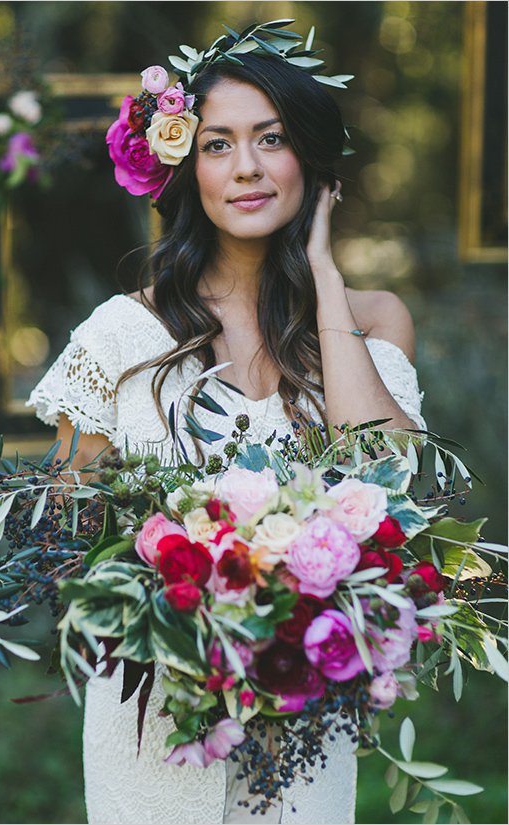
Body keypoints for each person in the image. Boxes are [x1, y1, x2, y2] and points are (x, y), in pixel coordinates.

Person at [27, 21, 426, 825]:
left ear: (307, 161)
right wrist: (197, 587)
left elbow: (388, 482)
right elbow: (68, 543)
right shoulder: (120, 335)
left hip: (304, 719)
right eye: (217, 144)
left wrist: (323, 275)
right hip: (154, 719)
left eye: (270, 139)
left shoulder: (373, 320)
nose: (245, 167)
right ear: (186, 166)